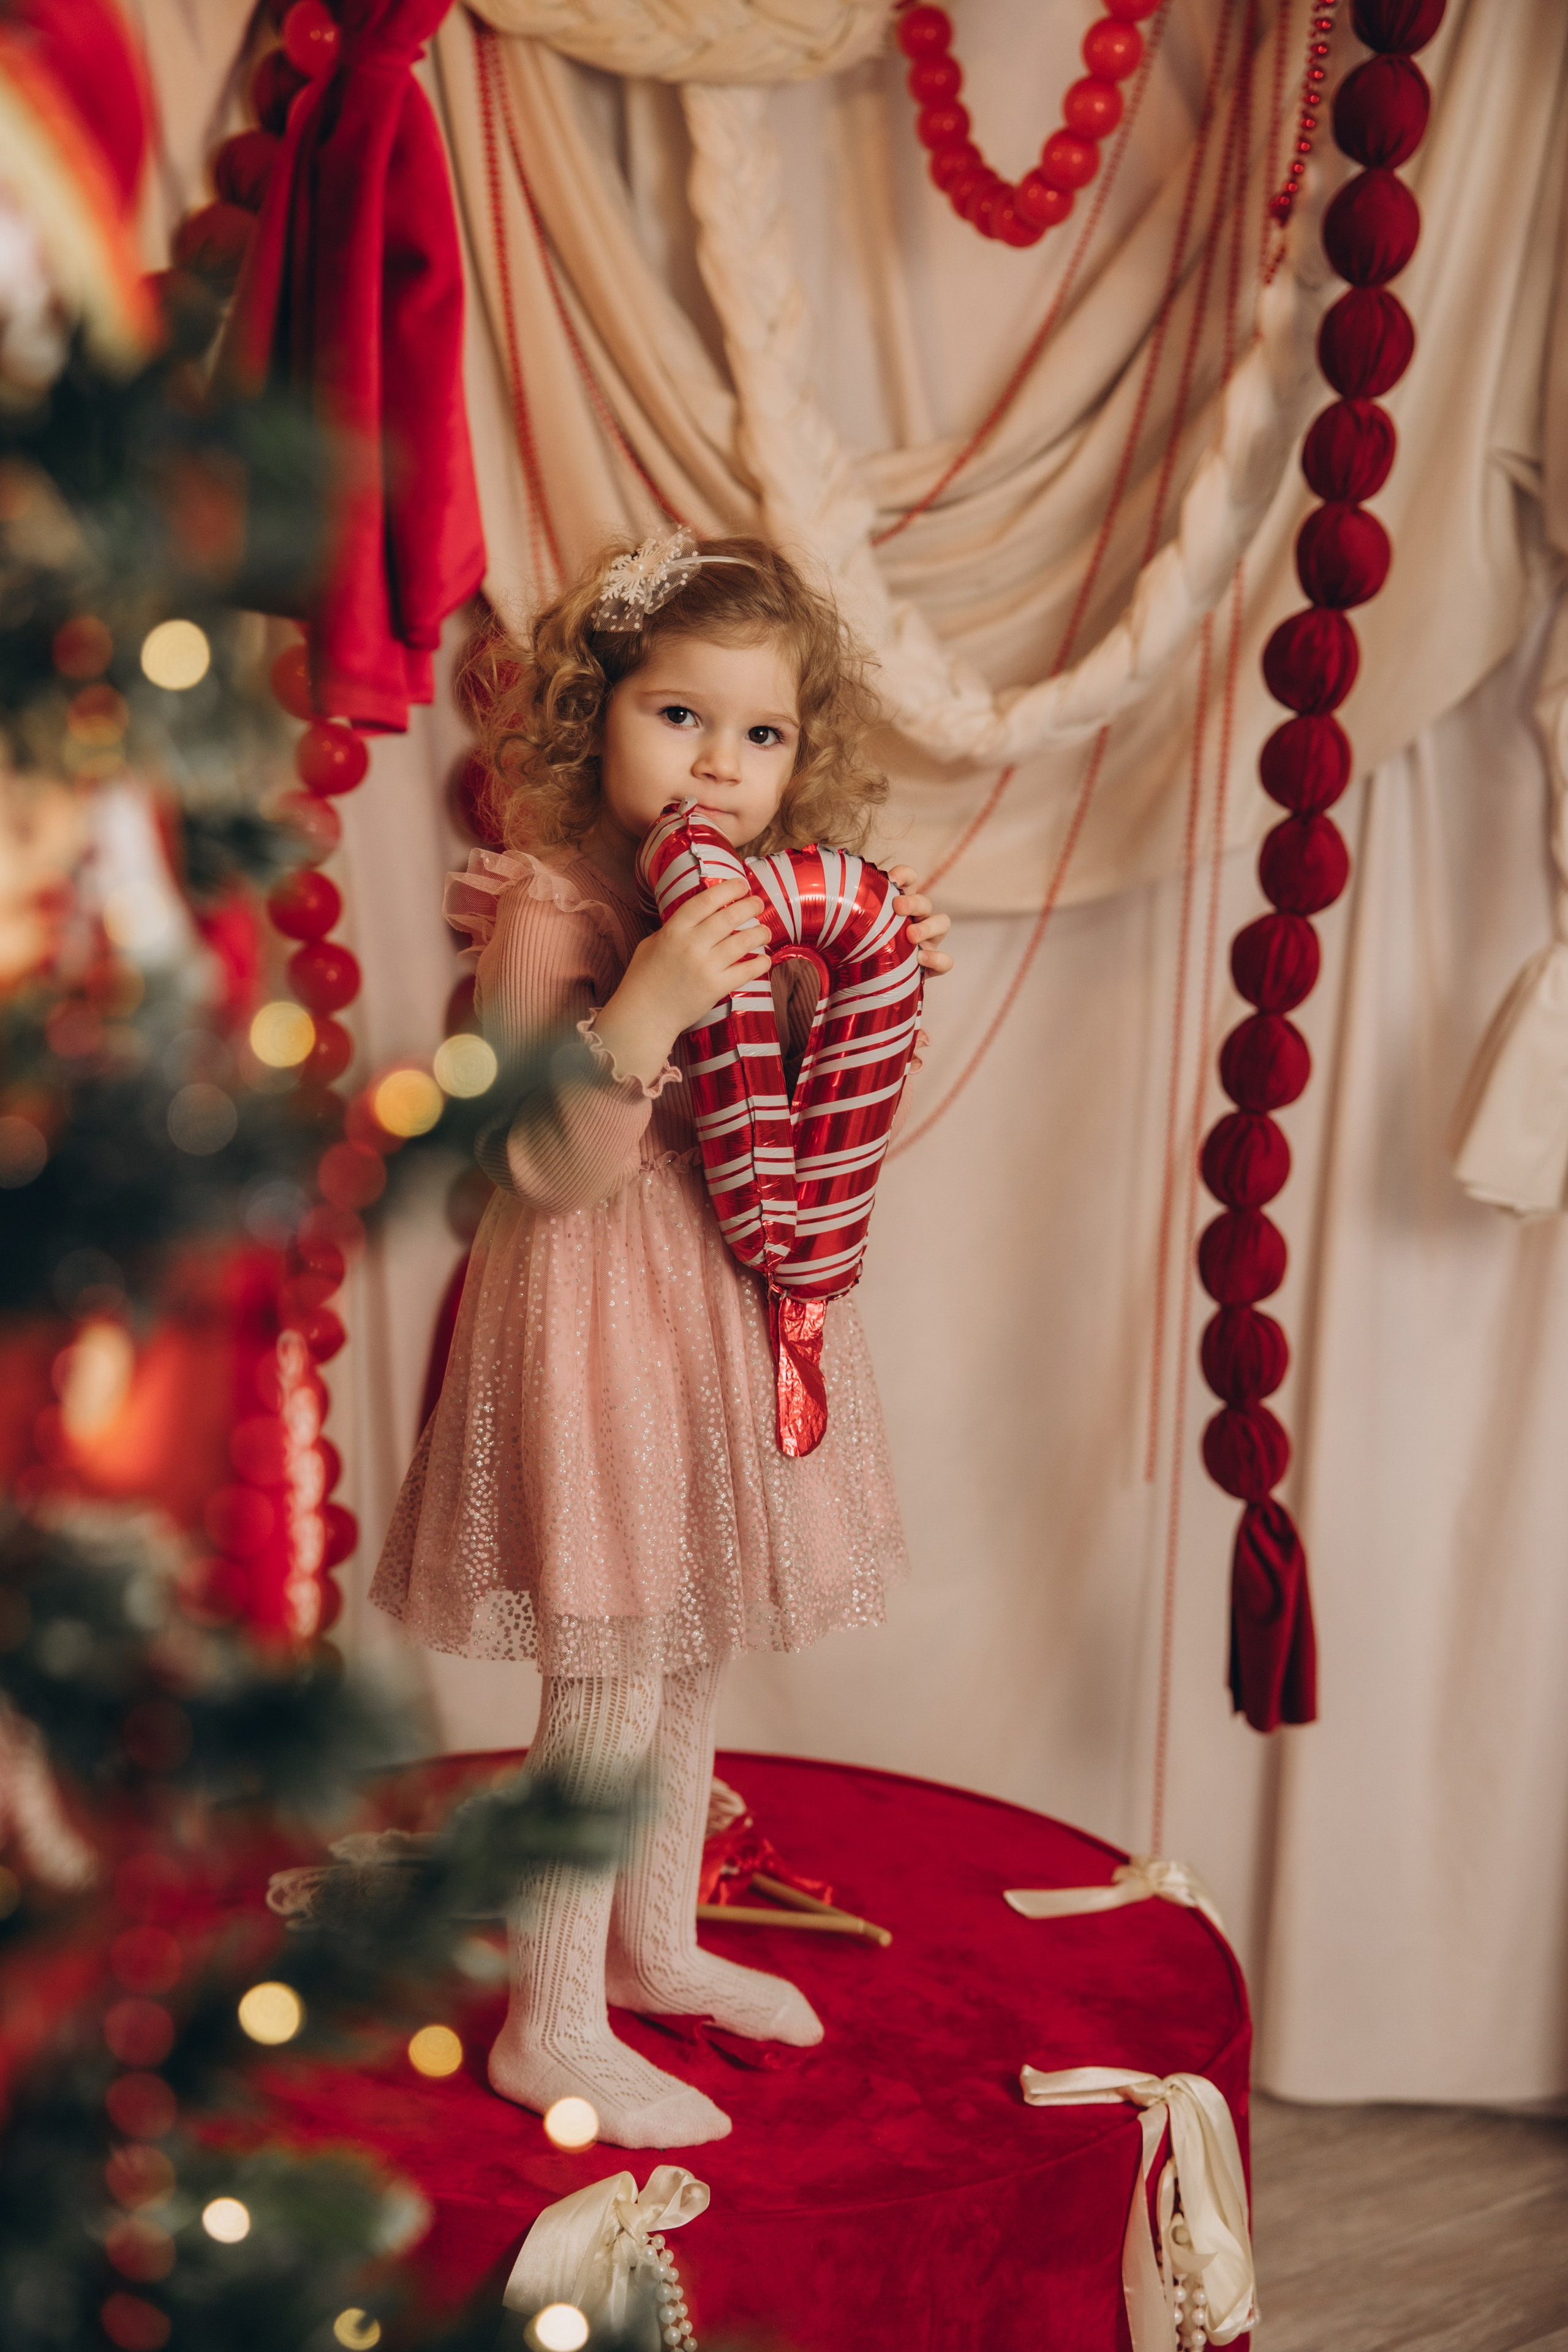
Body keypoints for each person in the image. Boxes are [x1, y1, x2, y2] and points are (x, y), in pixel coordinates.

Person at [371, 530, 952, 2147]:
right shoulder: (550, 905)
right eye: (678, 716)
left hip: (719, 1298)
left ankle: (654, 1945)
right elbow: (527, 1166)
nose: (721, 762)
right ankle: (546, 2025)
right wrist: (646, 1007)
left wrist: (871, 986)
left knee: (687, 1637)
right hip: (589, 1306)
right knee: (609, 1662)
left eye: (760, 734)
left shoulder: (772, 902)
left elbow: (814, 1133)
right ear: (594, 714)